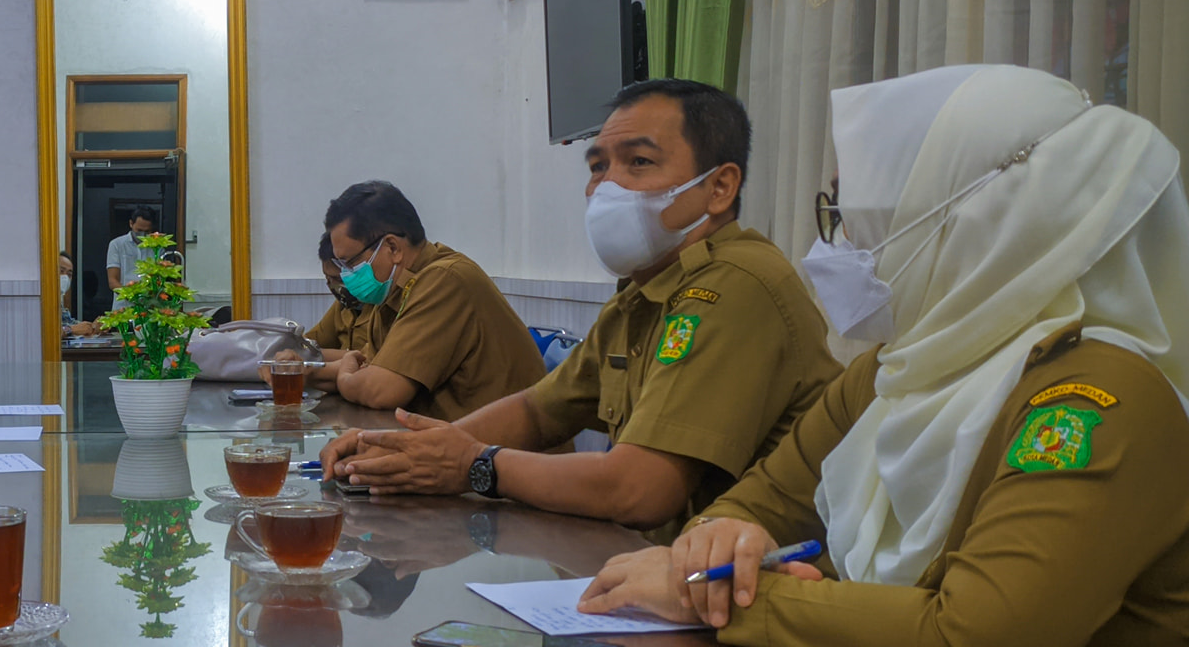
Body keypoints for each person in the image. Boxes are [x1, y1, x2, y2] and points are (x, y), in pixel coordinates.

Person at [578, 65, 1189, 647]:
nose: (841, 245)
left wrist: (718, 596)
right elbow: (758, 502)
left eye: (860, 216)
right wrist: (718, 545)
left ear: (979, 219)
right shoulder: (899, 369)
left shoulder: (1097, 397)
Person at [321, 83, 838, 537]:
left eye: (638, 162)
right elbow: (538, 410)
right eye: (598, 167)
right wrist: (402, 450)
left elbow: (640, 490)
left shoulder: (734, 285)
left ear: (720, 187)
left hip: (749, 591)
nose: (605, 187)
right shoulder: (640, 296)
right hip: (659, 575)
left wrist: (475, 465)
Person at [309, 180, 545, 421]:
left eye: (350, 263)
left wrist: (345, 379)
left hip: (501, 452)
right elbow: (365, 365)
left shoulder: (444, 280)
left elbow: (380, 389)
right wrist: (295, 371)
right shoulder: (393, 294)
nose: (346, 276)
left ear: (392, 247)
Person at [307, 230, 373, 353]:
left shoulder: (385, 305)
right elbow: (311, 342)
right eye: (327, 278)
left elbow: (370, 358)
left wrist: (307, 358)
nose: (332, 285)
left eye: (337, 278)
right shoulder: (343, 306)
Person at [105, 206, 158, 292]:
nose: (142, 235)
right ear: (131, 223)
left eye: (147, 231)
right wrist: (131, 295)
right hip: (123, 302)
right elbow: (112, 281)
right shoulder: (116, 245)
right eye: (139, 230)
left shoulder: (157, 247)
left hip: (149, 302)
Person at [58, 250, 97, 336]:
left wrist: (93, 327)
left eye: (69, 274)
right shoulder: (40, 302)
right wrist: (70, 329)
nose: (65, 277)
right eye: (61, 271)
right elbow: (44, 333)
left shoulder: (58, 303)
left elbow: (71, 324)